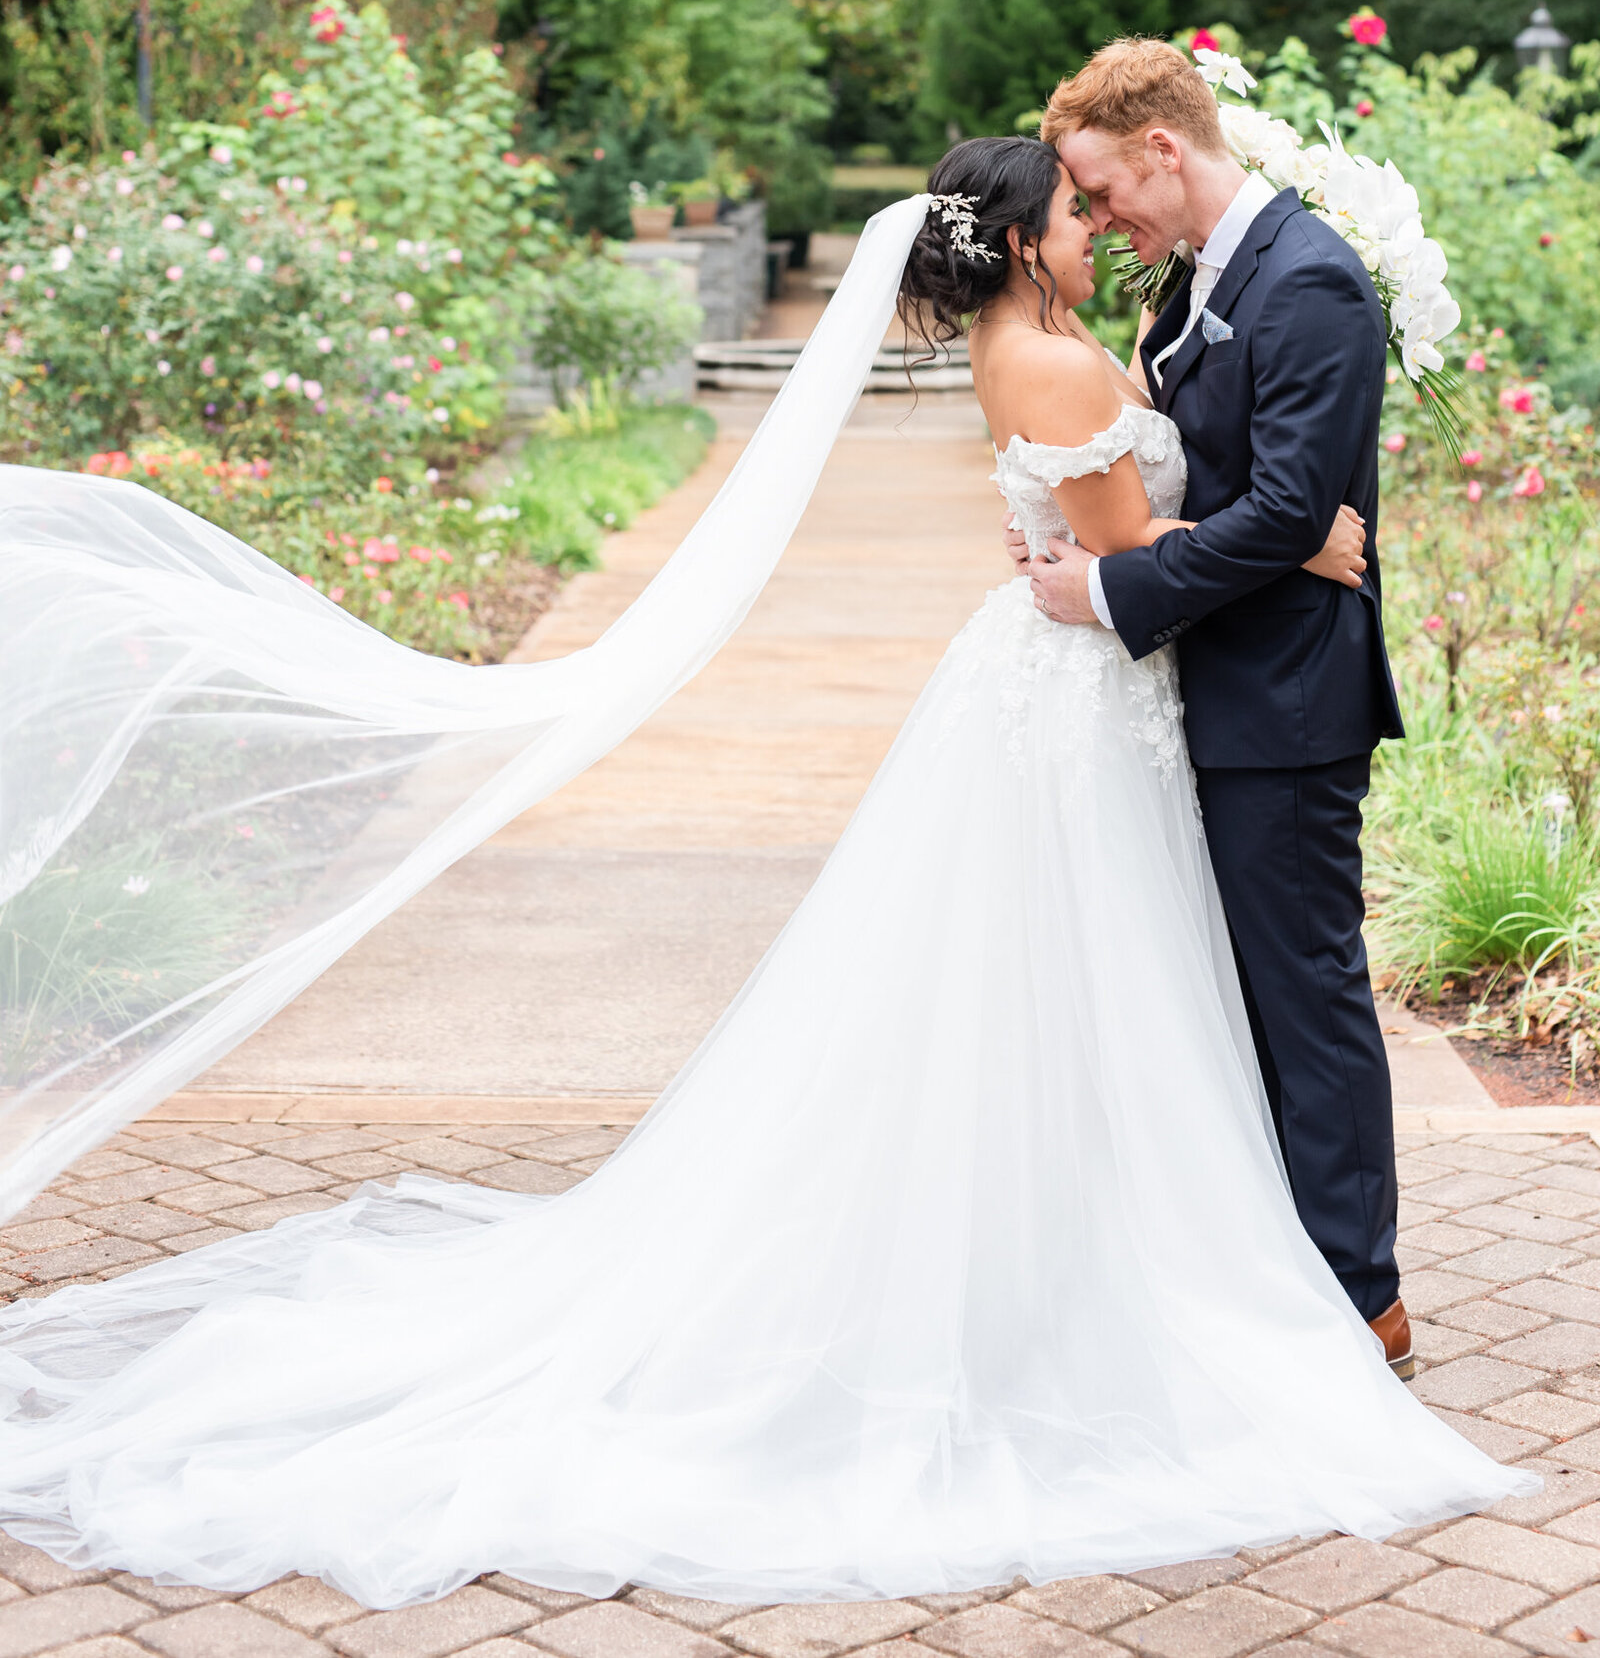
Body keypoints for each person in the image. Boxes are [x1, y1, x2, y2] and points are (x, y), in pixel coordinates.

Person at [0, 144, 1525, 1611]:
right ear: (1014, 241)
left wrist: (1161, 543)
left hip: (1071, 690)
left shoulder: (1063, 337)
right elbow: (1121, 546)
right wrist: (1291, 542)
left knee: (1067, 991)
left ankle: (1131, 1257)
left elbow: (1107, 532)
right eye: (1072, 210)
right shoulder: (1054, 361)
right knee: (1085, 982)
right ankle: (1121, 1283)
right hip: (1077, 705)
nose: (1095, 227)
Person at [1018, 38, 1410, 1371]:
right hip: (1214, 685)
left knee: (1305, 997)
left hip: (1289, 703)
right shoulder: (1200, 279)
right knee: (1235, 1001)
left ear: (1164, 149)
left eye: (1103, 188)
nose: (1105, 219)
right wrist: (1262, 533)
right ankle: (1276, 1273)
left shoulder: (1310, 283)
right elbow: (1258, 501)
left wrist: (1113, 592)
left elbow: (1296, 506)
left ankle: (1363, 1297)